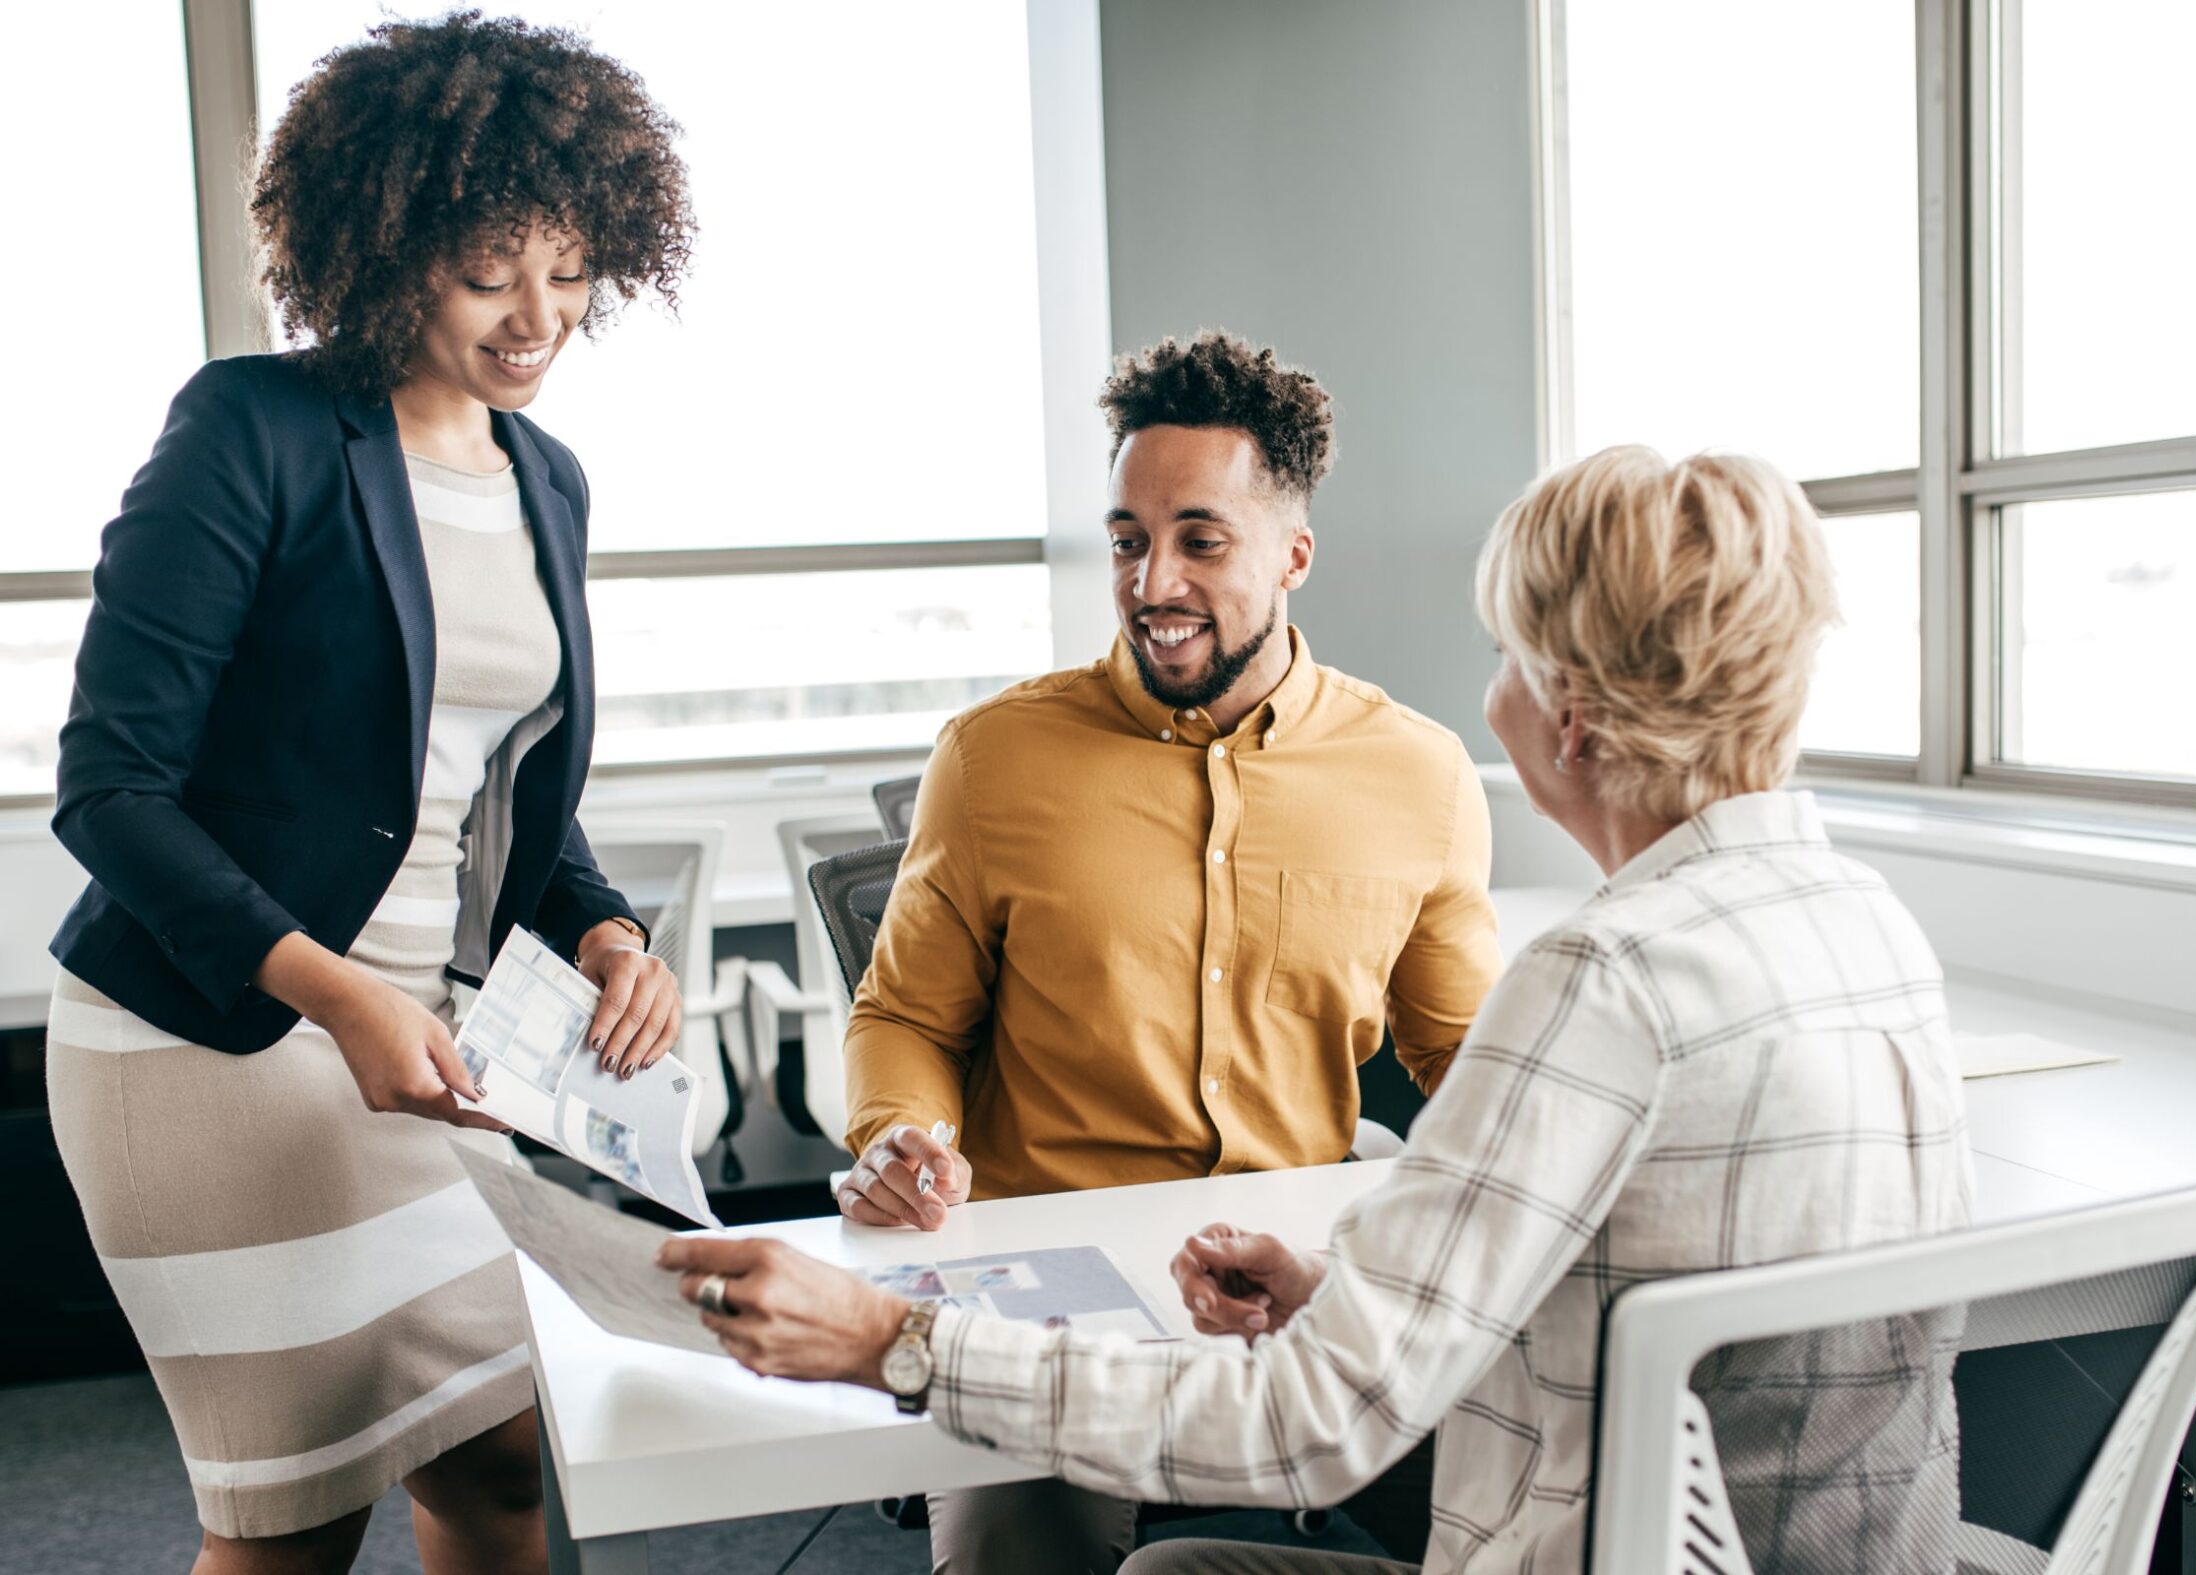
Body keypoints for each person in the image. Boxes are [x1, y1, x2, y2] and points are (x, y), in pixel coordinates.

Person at [665, 445, 1975, 1574]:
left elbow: (1307, 1418)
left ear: (1571, 718)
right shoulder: (1871, 922)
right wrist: (1355, 1284)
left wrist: (891, 1339)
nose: (1150, 577)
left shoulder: (1602, 975)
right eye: (1129, 538)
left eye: (1507, 654)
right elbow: (1636, 1245)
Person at [44, 16, 694, 1573]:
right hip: (212, 1044)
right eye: (488, 273)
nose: (539, 316)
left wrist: (604, 931)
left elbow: (491, 790)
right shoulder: (251, 429)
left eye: (568, 266)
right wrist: (340, 994)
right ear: (389, 251)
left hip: (414, 1052)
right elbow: (108, 787)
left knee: (503, 1466)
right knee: (294, 1525)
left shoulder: (546, 475)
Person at [836, 330, 1502, 1569]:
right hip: (1042, 1279)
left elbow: (1463, 1056)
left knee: (1517, 1510)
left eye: (1201, 539)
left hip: (1292, 1274)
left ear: (1293, 553)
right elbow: (906, 1020)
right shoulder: (993, 759)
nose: (1154, 582)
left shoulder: (1416, 774)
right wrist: (900, 1140)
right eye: (1130, 541)